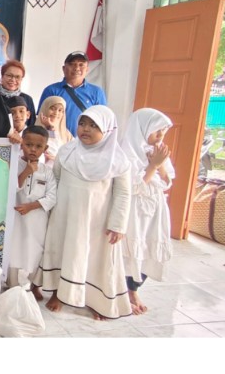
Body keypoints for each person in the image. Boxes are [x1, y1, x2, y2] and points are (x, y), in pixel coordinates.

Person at [34, 107, 132, 320]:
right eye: (83, 123)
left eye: (94, 125)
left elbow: (123, 194)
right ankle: (60, 294)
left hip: (96, 221)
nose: (85, 129)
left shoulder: (118, 159)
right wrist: (49, 209)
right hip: (65, 215)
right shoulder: (67, 151)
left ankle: (97, 301)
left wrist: (118, 224)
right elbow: (55, 180)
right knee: (64, 252)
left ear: (107, 129)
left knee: (93, 259)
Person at [120, 108, 174, 316]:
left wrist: (159, 165)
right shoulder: (127, 152)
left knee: (149, 247)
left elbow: (168, 181)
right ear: (142, 128)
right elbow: (132, 186)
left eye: (163, 131)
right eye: (156, 130)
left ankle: (134, 290)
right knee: (130, 248)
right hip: (134, 210)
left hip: (154, 209)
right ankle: (123, 290)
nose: (160, 136)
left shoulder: (159, 151)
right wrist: (153, 166)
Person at [8, 125, 57, 296]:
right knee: (15, 248)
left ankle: (31, 285)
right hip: (16, 218)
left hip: (36, 220)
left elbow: (52, 197)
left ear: (46, 148)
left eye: (38, 146)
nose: (33, 150)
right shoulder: (14, 163)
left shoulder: (47, 171)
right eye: (29, 145)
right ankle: (12, 284)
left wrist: (31, 207)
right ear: (21, 144)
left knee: (34, 250)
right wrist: (26, 172)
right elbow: (11, 189)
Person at [38, 51, 107, 136]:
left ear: (87, 69)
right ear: (64, 68)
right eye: (72, 64)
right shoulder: (51, 90)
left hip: (84, 143)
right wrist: (53, 138)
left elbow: (103, 121)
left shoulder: (97, 92)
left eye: (81, 65)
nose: (77, 68)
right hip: (57, 142)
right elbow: (41, 120)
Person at [0, 59, 36, 127]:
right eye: (9, 75)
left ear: (21, 79)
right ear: (2, 76)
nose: (13, 80)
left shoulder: (27, 99)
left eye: (17, 77)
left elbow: (31, 125)